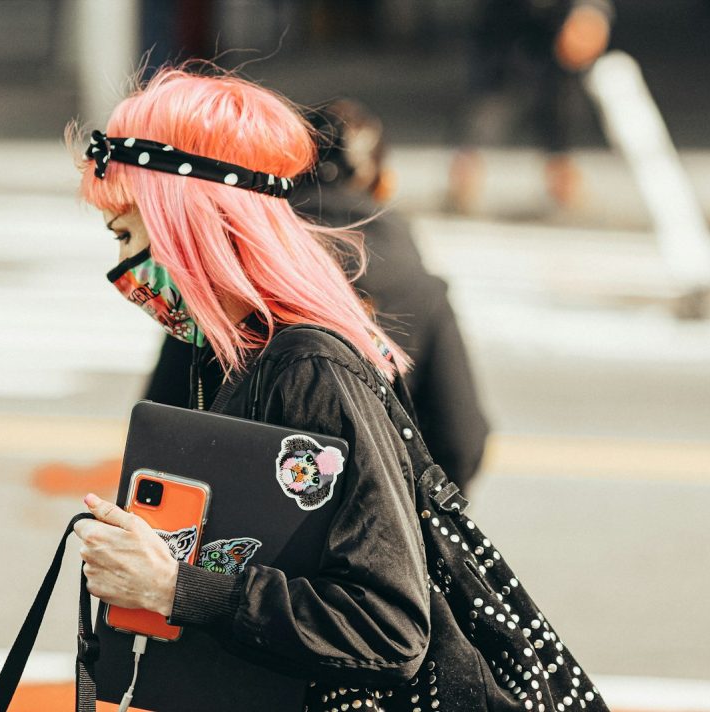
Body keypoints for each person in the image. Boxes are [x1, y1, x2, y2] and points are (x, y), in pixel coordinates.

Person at [70, 65, 430, 710]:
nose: (122, 267)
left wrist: (174, 588)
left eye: (125, 234)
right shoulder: (224, 354)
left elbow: (388, 627)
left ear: (187, 226)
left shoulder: (310, 368)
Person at [145, 98, 490, 487]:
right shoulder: (419, 287)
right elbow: (461, 437)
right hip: (374, 519)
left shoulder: (231, 274)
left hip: (235, 516)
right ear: (385, 182)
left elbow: (162, 414)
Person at [448, 0, 614, 212]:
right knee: (489, 103)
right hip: (503, 30)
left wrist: (590, 12)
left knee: (559, 102)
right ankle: (465, 171)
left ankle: (561, 174)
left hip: (556, 31)